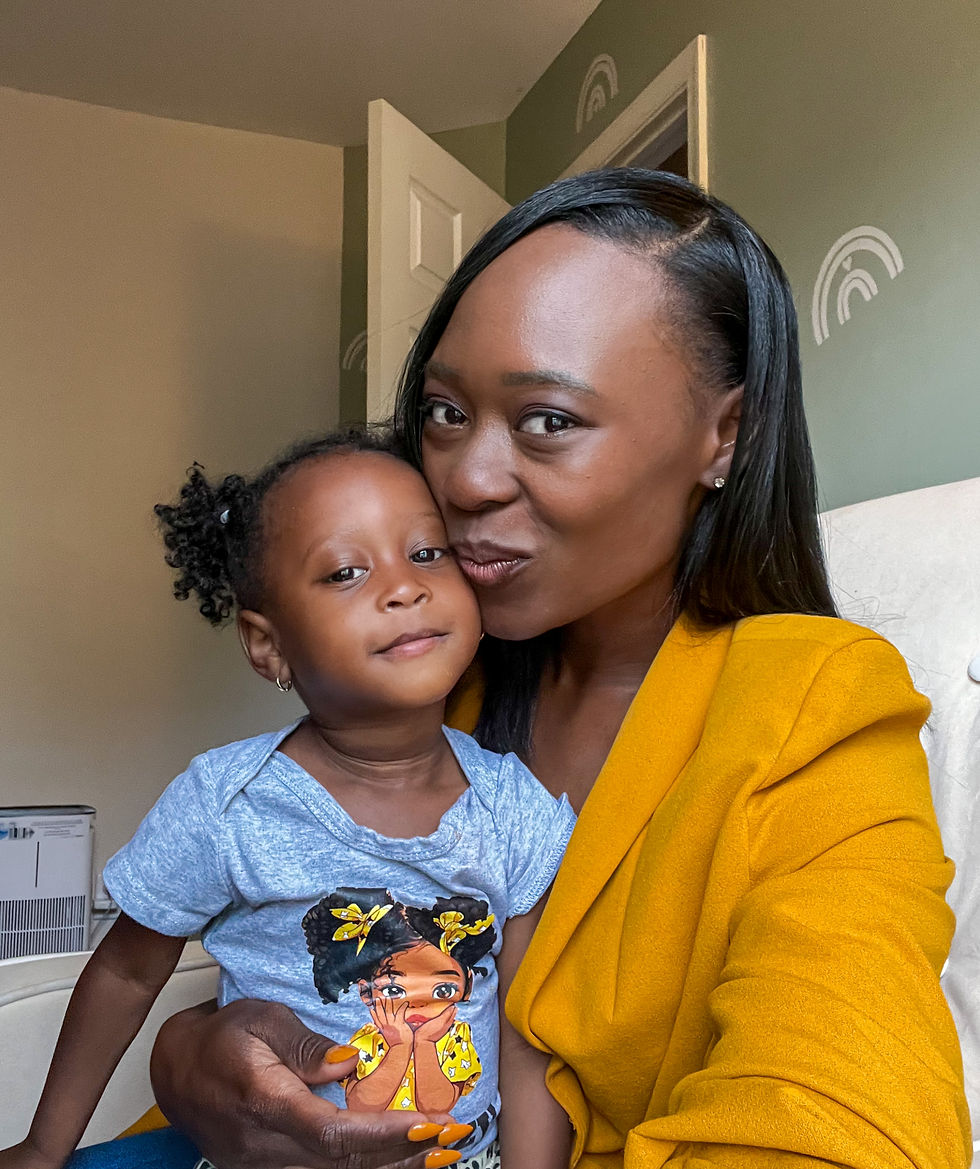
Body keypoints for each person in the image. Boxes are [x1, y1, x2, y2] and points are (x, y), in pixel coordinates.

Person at [80, 168, 973, 1168]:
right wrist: (190, 1057)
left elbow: (842, 1125)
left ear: (722, 435)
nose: (459, 477)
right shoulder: (423, 688)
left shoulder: (815, 706)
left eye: (548, 419)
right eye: (444, 412)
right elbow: (282, 969)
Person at [1, 431, 576, 1169]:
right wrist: (46, 1147)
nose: (403, 587)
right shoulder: (226, 803)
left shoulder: (512, 807)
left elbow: (526, 1030)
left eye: (427, 552)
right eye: (345, 571)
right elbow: (126, 971)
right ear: (267, 645)